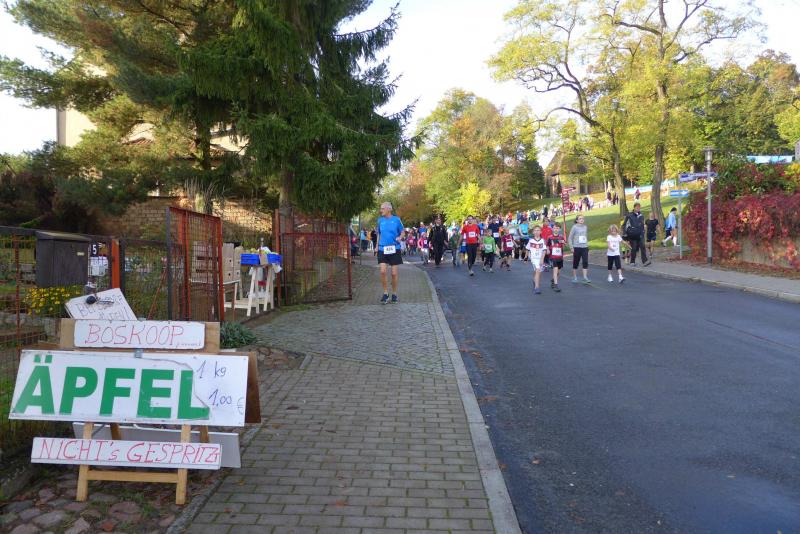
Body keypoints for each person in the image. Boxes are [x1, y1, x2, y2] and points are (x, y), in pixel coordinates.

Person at [376, 202, 405, 303]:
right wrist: (376, 246)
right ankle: (385, 293)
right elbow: (379, 234)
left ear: (389, 209)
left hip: (394, 248)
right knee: (382, 271)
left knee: (394, 273)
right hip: (382, 249)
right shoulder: (380, 220)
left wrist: (400, 237)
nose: (381, 210)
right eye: (381, 208)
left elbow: (402, 231)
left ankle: (394, 293)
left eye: (382, 208)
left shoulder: (396, 220)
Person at [568, 214, 590, 283]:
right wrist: (571, 247)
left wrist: (587, 244)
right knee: (576, 262)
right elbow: (570, 238)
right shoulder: (574, 227)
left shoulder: (585, 227)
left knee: (585, 262)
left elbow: (585, 236)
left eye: (583, 218)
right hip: (577, 247)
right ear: (577, 220)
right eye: (580, 219)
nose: (582, 220)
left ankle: (585, 277)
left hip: (584, 247)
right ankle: (574, 277)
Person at [526, 225, 547, 294]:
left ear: (541, 232)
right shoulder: (531, 241)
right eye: (535, 230)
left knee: (538, 272)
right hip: (533, 259)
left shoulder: (542, 240)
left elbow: (544, 250)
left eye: (538, 230)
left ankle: (535, 280)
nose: (537, 232)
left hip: (540, 258)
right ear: (533, 232)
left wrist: (542, 259)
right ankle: (537, 287)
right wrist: (526, 258)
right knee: (538, 270)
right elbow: (527, 249)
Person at [547, 223, 565, 292]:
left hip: (560, 256)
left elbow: (564, 245)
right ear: (552, 229)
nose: (556, 229)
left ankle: (553, 280)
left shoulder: (561, 237)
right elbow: (547, 245)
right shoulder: (550, 237)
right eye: (554, 228)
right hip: (553, 256)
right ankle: (556, 285)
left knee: (558, 272)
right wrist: (548, 250)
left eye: (557, 228)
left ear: (559, 229)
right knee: (555, 269)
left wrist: (564, 243)